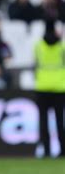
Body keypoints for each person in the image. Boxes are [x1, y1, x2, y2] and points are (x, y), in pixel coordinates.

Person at [34, 19, 65, 157]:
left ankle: (46, 150)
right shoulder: (62, 47)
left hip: (42, 86)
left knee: (43, 121)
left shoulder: (38, 46)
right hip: (59, 87)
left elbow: (35, 64)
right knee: (60, 121)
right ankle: (62, 150)